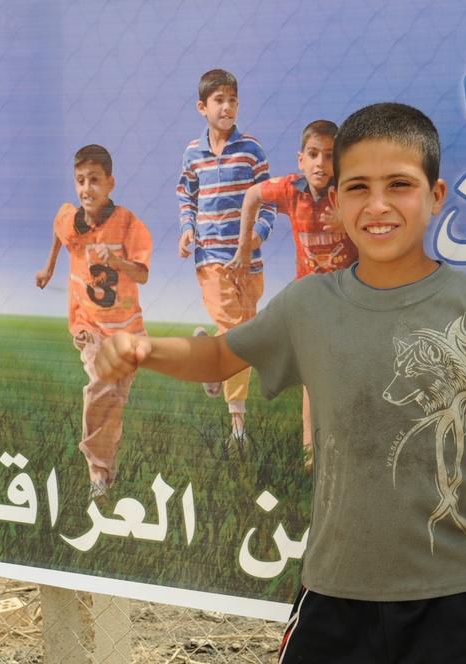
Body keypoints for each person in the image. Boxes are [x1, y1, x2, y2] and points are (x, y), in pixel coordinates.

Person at [97, 102, 466, 662]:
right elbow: (219, 356)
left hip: (459, 597)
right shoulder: (308, 306)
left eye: (400, 185)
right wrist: (146, 349)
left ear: (435, 197)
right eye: (357, 187)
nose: (378, 205)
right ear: (334, 204)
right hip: (333, 596)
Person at [231, 119, 358, 471]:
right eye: (313, 155)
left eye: (329, 156)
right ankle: (310, 454)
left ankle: (352, 449)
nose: (320, 163)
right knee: (312, 379)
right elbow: (253, 194)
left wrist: (348, 220)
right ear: (301, 159)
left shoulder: (352, 192)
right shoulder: (291, 190)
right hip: (310, 301)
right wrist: (244, 245)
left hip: (350, 299)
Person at [36, 144, 152, 501]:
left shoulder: (130, 224)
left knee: (116, 399)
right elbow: (60, 225)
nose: (87, 189)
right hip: (89, 323)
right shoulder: (73, 220)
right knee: (101, 382)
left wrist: (116, 262)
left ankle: (105, 468)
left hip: (127, 328)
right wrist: (50, 267)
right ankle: (97, 474)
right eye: (80, 181)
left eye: (95, 180)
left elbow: (143, 274)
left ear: (110, 183)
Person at [177, 68, 272, 453]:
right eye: (219, 100)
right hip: (211, 258)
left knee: (242, 336)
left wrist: (256, 236)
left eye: (233, 100)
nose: (227, 107)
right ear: (203, 107)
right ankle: (237, 424)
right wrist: (187, 229)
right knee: (235, 331)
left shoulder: (252, 150)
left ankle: (206, 357)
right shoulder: (192, 154)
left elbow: (269, 206)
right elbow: (187, 196)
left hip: (248, 263)